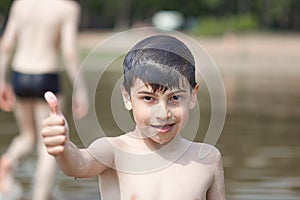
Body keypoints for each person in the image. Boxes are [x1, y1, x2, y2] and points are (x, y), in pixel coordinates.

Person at [41, 35, 225, 199]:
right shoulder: (114, 151)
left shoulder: (207, 159)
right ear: (127, 97)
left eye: (175, 98)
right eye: (148, 98)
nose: (162, 113)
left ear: (192, 96)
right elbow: (78, 165)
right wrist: (63, 147)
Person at [0, 0, 88, 199]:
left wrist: (1, 81)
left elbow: (6, 45)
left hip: (19, 74)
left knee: (27, 136)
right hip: (46, 76)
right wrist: (80, 90)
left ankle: (9, 159)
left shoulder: (20, 4)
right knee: (47, 147)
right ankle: (39, 197)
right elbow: (70, 52)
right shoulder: (67, 8)